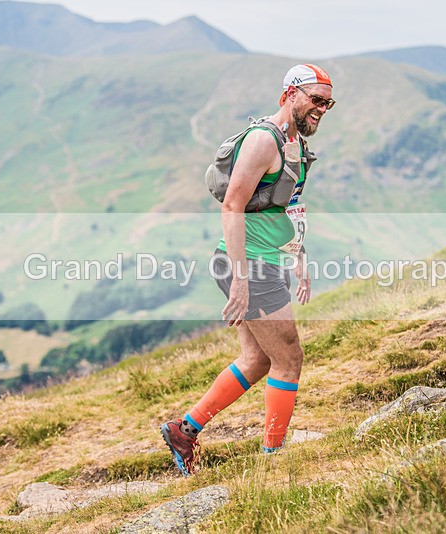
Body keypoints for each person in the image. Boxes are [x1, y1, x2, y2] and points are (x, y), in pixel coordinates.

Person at [161, 64, 335, 476]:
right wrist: (240, 278)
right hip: (248, 264)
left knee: (257, 359)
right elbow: (232, 205)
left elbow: (289, 204)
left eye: (328, 103)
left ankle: (184, 431)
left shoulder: (296, 145)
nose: (322, 109)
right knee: (290, 357)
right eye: (315, 99)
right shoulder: (262, 141)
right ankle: (274, 458)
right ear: (289, 94)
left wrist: (300, 256)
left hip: (268, 261)